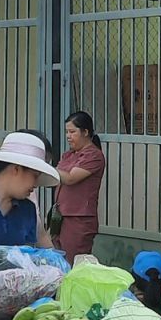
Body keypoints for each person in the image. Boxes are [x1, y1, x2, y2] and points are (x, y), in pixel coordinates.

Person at [55, 111, 105, 259]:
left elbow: (70, 178)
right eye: (67, 132)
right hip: (60, 215)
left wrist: (47, 168)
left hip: (79, 218)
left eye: (72, 132)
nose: (68, 136)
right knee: (57, 259)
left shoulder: (93, 155)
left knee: (73, 261)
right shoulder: (69, 154)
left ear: (85, 132)